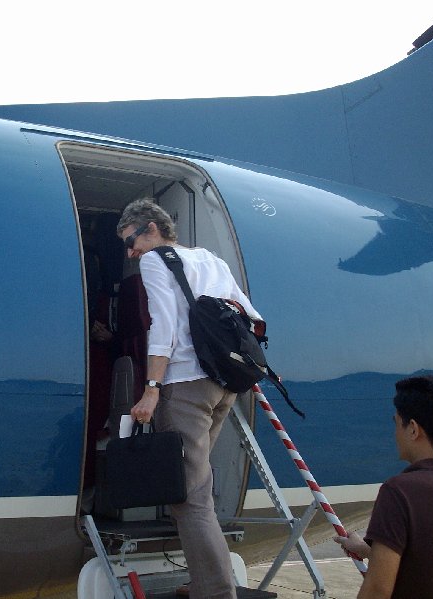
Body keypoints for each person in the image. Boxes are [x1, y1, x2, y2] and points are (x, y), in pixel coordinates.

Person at [116, 198, 262, 599]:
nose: (131, 253)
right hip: (223, 387)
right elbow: (250, 315)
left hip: (184, 387)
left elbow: (162, 326)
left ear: (150, 227)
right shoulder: (212, 260)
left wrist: (151, 389)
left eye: (131, 242)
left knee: (190, 500)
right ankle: (205, 582)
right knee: (195, 489)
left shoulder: (154, 261)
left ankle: (215, 592)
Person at [334, 375, 433, 599]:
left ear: (413, 429)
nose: (395, 434)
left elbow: (377, 591)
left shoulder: (398, 491)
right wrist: (369, 551)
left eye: (397, 423)